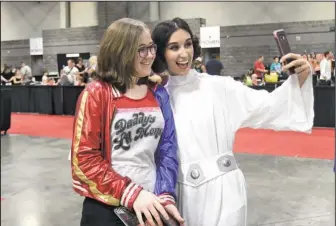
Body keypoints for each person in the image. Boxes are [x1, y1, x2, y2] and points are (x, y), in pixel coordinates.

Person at [151, 17, 314, 226]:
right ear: (162, 52)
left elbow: (269, 105)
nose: (184, 53)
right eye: (174, 47)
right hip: (182, 195)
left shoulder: (220, 87)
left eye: (188, 44)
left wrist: (300, 77)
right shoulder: (157, 97)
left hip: (226, 193)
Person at [70, 18, 184, 226]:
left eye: (151, 47)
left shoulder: (158, 93)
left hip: (151, 201)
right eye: (142, 49)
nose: (150, 55)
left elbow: (167, 149)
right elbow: (84, 160)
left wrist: (165, 194)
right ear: (121, 52)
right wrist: (130, 193)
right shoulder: (97, 94)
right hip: (107, 203)